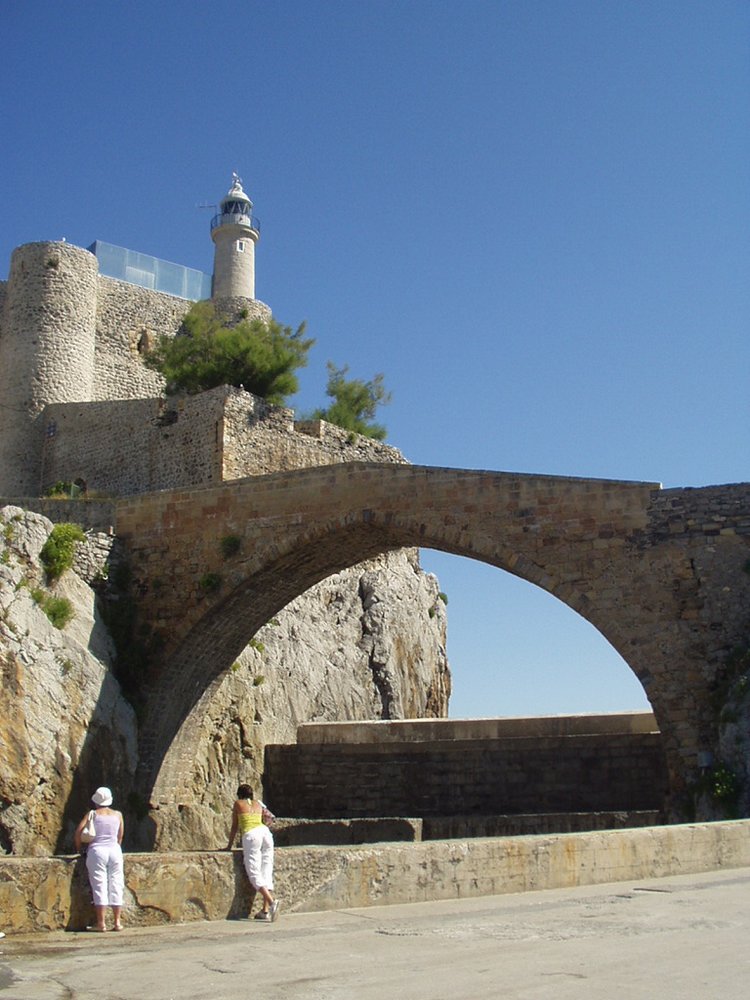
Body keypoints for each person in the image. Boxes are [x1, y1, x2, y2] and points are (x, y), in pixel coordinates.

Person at [226, 783, 279, 922]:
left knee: (254, 871)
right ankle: (265, 911)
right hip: (265, 834)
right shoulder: (258, 803)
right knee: (266, 869)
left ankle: (272, 902)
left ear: (239, 794)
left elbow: (234, 826)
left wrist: (229, 846)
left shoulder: (238, 804)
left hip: (251, 835)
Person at [74, 786, 124, 932]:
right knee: (116, 883)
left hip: (97, 851)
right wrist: (115, 847)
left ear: (96, 801)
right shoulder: (118, 815)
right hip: (115, 850)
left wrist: (79, 849)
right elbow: (120, 836)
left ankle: (101, 923)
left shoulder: (92, 814)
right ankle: (117, 922)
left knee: (99, 884)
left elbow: (78, 833)